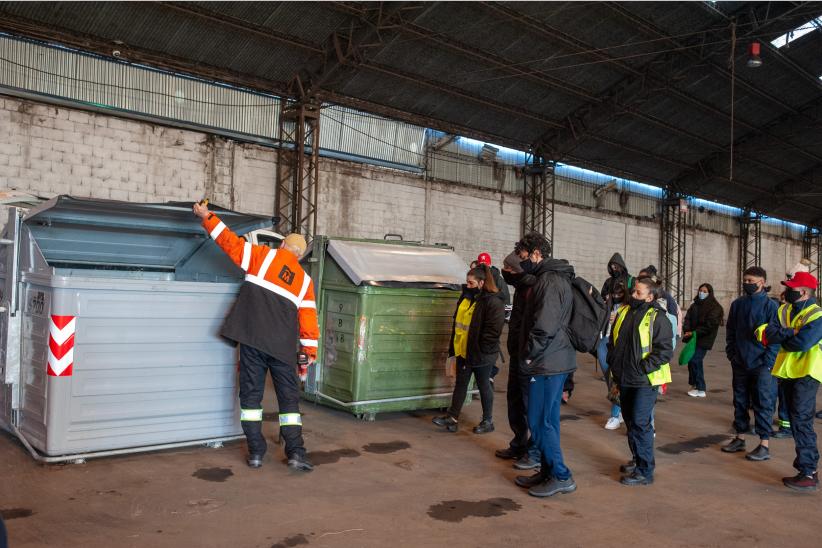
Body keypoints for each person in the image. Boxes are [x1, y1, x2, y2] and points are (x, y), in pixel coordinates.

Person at [192, 201, 319, 472]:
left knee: (251, 398)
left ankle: (256, 453)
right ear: (300, 256)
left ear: (283, 245)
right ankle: (296, 452)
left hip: (252, 340)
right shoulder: (305, 282)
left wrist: (206, 216)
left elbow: (229, 242)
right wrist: (309, 354)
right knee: (289, 402)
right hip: (283, 349)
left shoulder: (262, 256)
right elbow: (309, 321)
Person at [511, 232, 578, 498]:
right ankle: (549, 471)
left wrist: (529, 354)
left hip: (546, 362)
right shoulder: (553, 278)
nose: (522, 261)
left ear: (537, 253)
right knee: (547, 421)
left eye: (524, 256)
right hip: (553, 359)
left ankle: (561, 476)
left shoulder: (549, 281)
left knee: (539, 422)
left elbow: (544, 325)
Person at [608, 277, 673, 486]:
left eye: (638, 293)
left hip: (645, 380)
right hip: (624, 377)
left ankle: (645, 470)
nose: (633, 295)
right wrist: (614, 364)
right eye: (633, 291)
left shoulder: (658, 318)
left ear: (650, 297)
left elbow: (664, 351)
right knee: (630, 421)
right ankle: (637, 459)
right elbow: (613, 342)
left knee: (640, 422)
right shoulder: (624, 312)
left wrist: (642, 368)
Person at [763, 271, 822, 491]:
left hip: (807, 373)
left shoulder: (817, 315)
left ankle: (809, 472)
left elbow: (802, 343)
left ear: (804, 292)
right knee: (795, 420)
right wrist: (792, 332)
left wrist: (784, 336)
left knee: (802, 420)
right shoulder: (784, 309)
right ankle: (804, 469)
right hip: (787, 372)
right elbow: (770, 334)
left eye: (792, 289)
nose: (787, 291)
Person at [433, 265, 505, 434]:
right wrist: (454, 349)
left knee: (483, 385)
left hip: (481, 354)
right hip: (463, 351)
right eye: (467, 282)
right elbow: (458, 325)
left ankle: (488, 421)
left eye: (471, 283)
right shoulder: (467, 297)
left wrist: (481, 350)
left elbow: (493, 331)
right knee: (461, 384)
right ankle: (453, 418)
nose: (468, 286)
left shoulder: (493, 301)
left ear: (481, 282)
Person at [722, 266, 779, 462]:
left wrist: (768, 361)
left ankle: (764, 444)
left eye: (751, 281)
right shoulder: (738, 304)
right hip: (740, 362)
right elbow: (730, 330)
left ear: (762, 283)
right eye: (745, 280)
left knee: (763, 403)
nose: (747, 284)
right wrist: (732, 353)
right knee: (740, 401)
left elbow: (775, 337)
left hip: (761, 364)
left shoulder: (771, 307)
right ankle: (740, 437)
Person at [495, 243, 541, 470]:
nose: (507, 273)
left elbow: (540, 326)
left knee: (530, 405)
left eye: (511, 269)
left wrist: (530, 354)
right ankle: (519, 443)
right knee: (514, 401)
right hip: (517, 352)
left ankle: (534, 451)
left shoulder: (535, 286)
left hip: (530, 357)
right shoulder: (522, 288)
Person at [683, 283, 724, 398]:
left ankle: (701, 388)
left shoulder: (715, 307)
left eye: (705, 291)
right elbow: (688, 319)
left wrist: (695, 332)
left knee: (696, 360)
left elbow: (710, 325)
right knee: (690, 360)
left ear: (710, 293)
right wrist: (686, 330)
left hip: (704, 338)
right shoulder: (695, 305)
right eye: (700, 290)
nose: (702, 293)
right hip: (692, 337)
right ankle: (694, 384)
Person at [598, 281, 628, 430]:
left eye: (620, 294)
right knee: (610, 381)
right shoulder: (607, 305)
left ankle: (616, 415)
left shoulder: (629, 308)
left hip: (619, 347)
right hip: (605, 343)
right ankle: (618, 411)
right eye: (614, 294)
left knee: (615, 381)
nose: (617, 296)